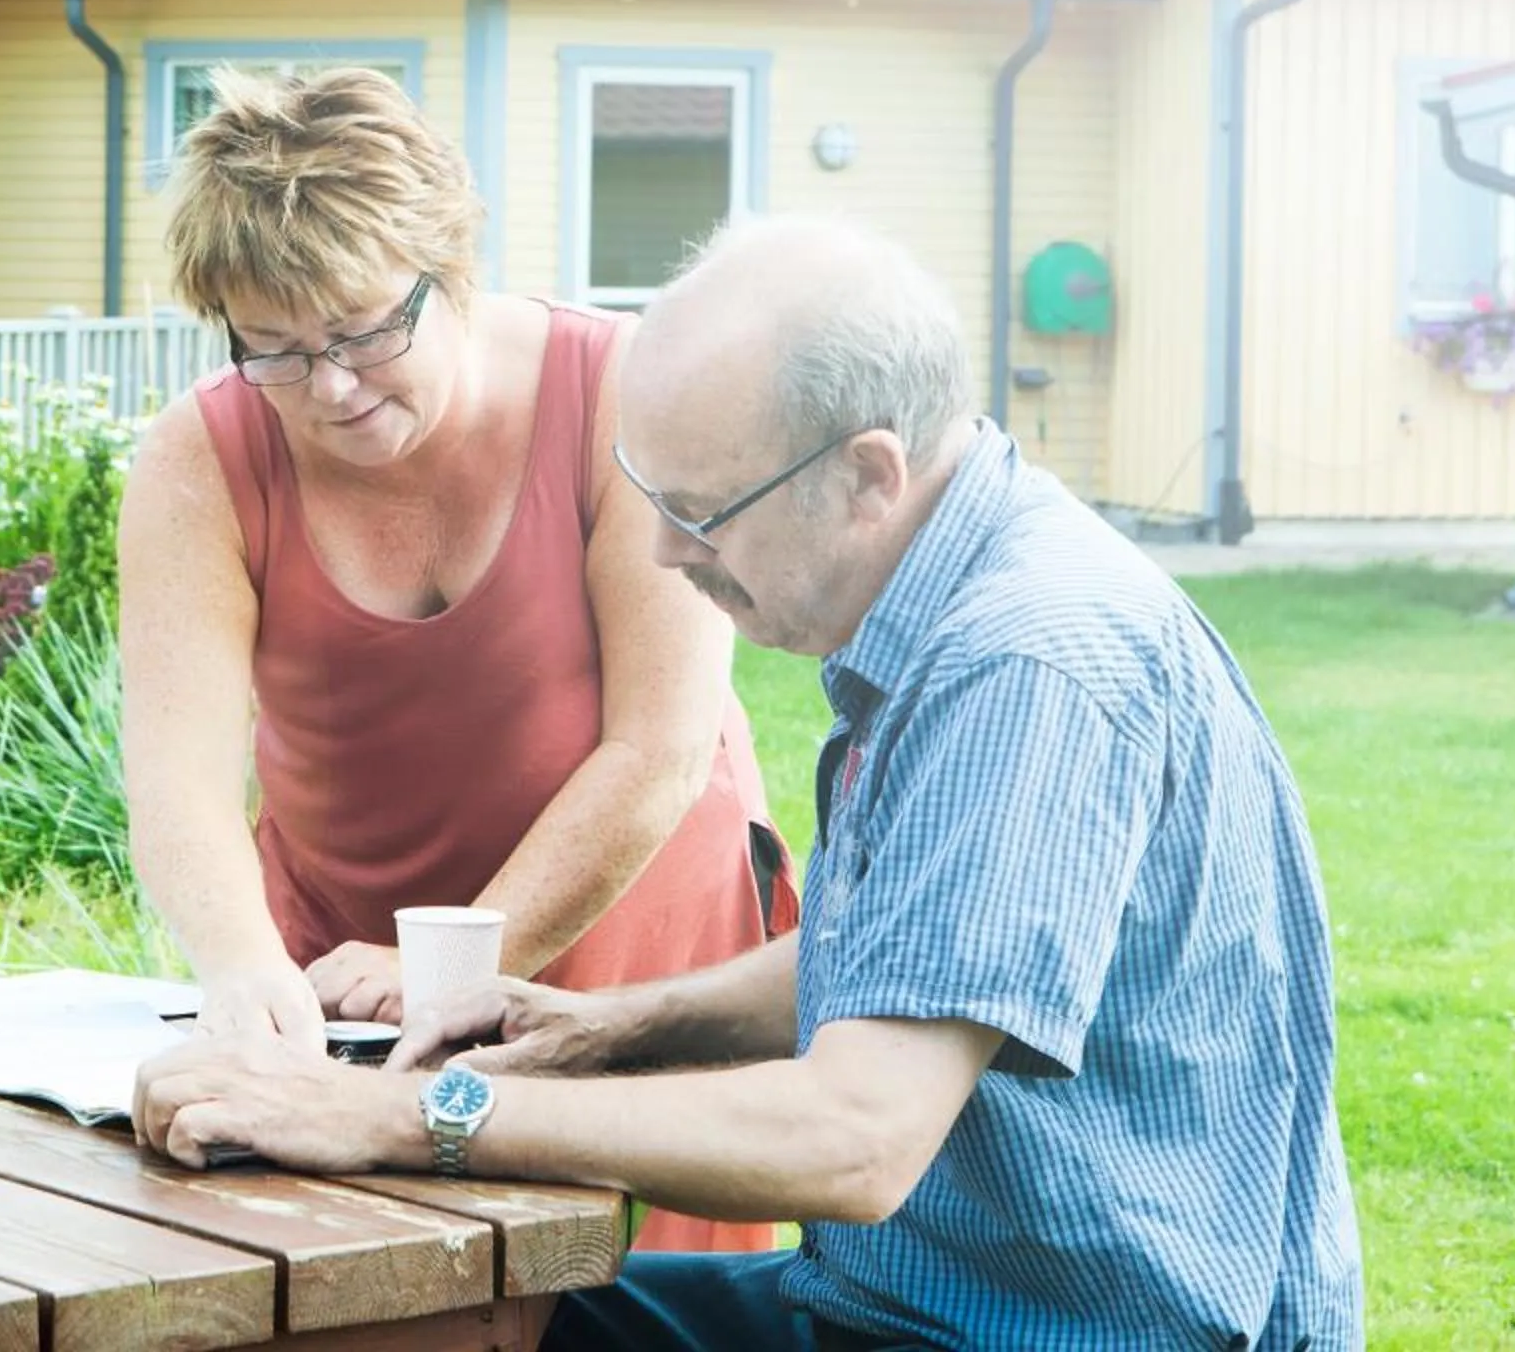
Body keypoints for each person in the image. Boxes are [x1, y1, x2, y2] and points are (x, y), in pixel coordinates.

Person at [132, 215, 1365, 1351]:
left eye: (702, 509)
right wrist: (609, 1028)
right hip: (908, 1299)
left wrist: (412, 1118)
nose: (666, 550)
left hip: (1055, 1330)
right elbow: (912, 949)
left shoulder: (1021, 665)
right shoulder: (958, 596)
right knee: (406, 1320)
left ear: (869, 474)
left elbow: (855, 1138)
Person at [117, 69, 796, 1253]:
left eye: (367, 329)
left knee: (631, 1294)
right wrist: (241, 961)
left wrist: (469, 961)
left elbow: (659, 746)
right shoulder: (196, 458)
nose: (329, 388)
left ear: (452, 267)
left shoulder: (621, 393)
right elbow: (179, 776)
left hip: (627, 918)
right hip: (346, 955)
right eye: (272, 348)